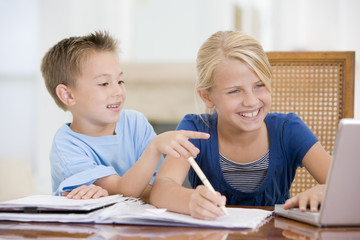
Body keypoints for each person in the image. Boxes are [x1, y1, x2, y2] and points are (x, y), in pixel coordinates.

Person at [149, 31, 330, 220]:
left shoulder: (289, 130)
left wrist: (323, 191)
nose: (251, 101)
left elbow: (346, 185)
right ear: (207, 96)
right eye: (235, 91)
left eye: (259, 85)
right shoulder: (196, 130)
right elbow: (161, 189)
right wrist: (190, 200)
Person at [40, 31, 209, 201]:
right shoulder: (66, 146)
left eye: (120, 81)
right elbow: (125, 190)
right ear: (68, 95)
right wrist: (154, 147)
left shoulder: (136, 123)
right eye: (104, 83)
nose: (118, 91)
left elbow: (156, 189)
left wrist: (134, 190)